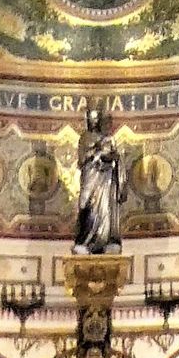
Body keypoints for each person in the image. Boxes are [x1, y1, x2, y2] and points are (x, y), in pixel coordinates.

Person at [74, 102, 126, 254]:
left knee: (105, 207)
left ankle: (105, 239)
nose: (94, 121)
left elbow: (115, 158)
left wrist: (113, 158)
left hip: (105, 179)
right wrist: (96, 151)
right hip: (90, 177)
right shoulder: (85, 137)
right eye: (91, 118)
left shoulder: (108, 139)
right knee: (86, 205)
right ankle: (84, 239)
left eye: (97, 119)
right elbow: (82, 159)